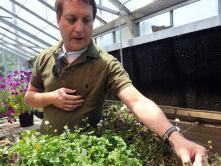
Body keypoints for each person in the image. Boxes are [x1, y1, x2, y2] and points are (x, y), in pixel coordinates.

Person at [24, 0, 208, 165]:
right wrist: (52, 97)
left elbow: (137, 102)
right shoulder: (45, 58)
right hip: (46, 149)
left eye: (86, 20)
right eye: (71, 19)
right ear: (58, 20)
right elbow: (29, 97)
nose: (80, 28)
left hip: (84, 154)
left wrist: (177, 139)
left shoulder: (106, 64)